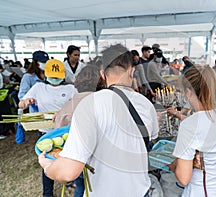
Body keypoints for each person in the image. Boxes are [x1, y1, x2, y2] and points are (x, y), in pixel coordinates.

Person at [38, 44, 159, 197]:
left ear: (102, 74)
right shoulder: (146, 105)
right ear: (132, 71)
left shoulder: (89, 105)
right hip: (141, 191)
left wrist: (47, 166)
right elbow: (152, 139)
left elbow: (68, 172)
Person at [168, 65, 216, 196]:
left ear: (188, 92)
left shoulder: (189, 126)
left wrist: (175, 165)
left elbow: (183, 178)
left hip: (207, 191)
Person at [19, 59, 77, 197]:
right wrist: (26, 102)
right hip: (46, 132)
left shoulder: (70, 89)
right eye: (52, 76)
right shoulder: (38, 88)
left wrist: (64, 112)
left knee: (68, 158)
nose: (55, 79)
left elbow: (77, 106)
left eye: (58, 77)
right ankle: (47, 193)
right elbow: (21, 104)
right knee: (46, 162)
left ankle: (70, 181)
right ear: (45, 74)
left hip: (65, 131)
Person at [54, 64, 101, 197]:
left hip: (74, 161)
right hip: (98, 161)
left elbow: (58, 136)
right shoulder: (102, 102)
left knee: (80, 188)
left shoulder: (67, 106)